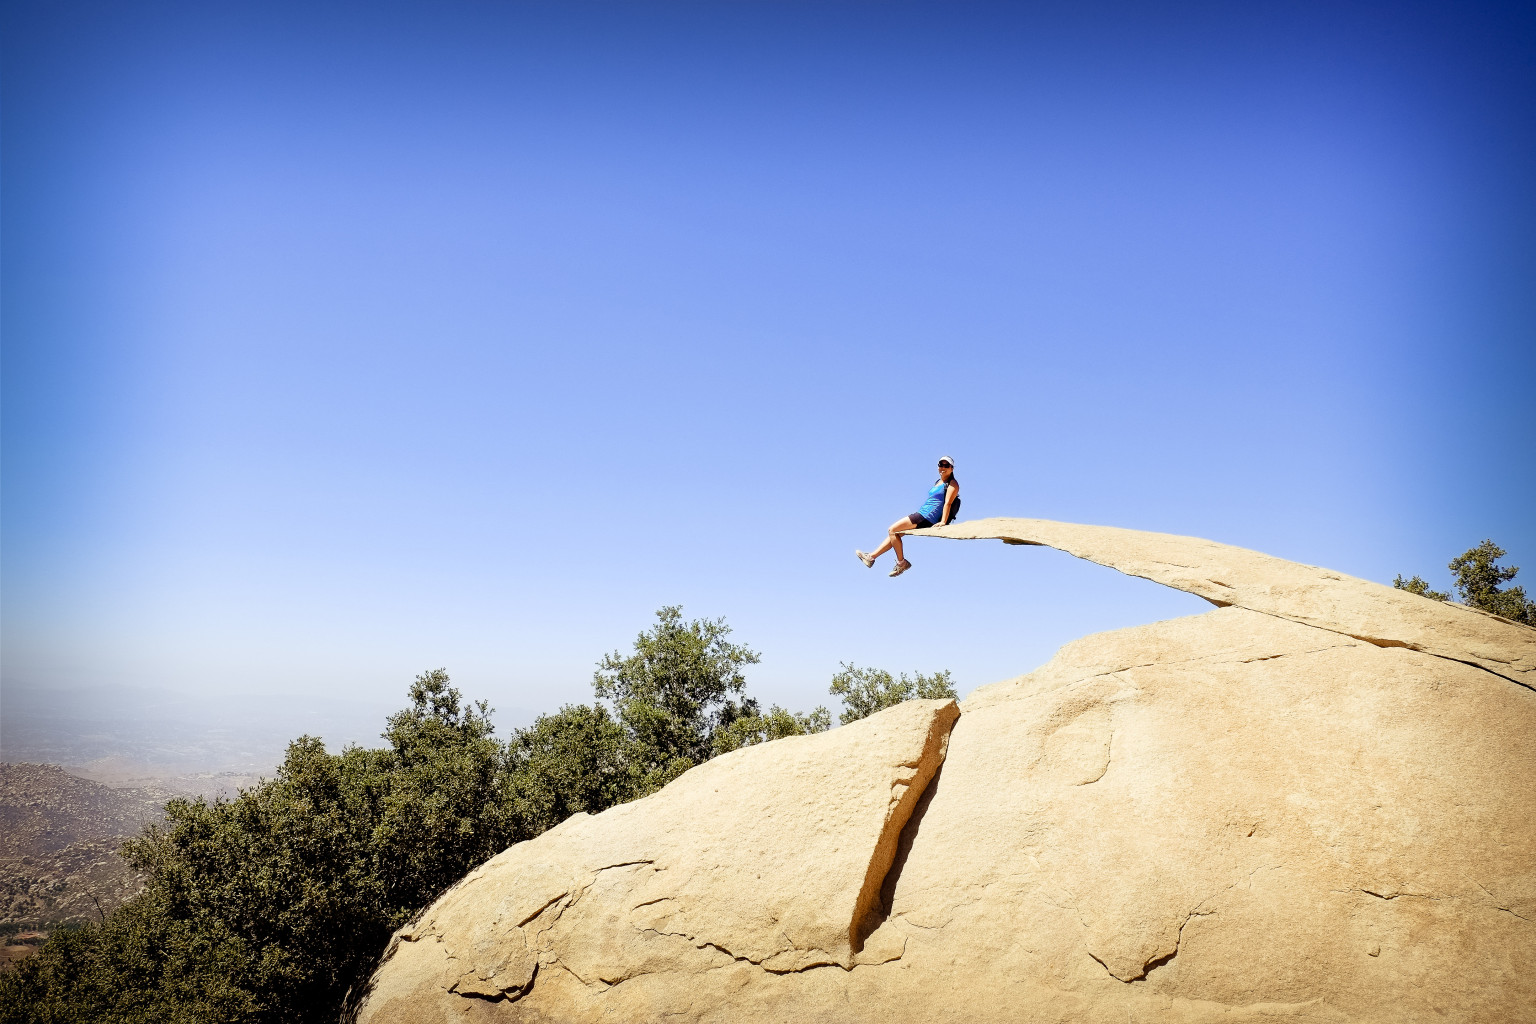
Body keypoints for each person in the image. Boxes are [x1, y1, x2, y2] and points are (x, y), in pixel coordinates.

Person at [856, 457, 960, 577]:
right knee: (896, 535)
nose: (943, 468)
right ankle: (871, 557)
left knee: (892, 530)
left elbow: (948, 503)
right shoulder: (938, 482)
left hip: (926, 517)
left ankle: (902, 563)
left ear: (952, 468)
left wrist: (943, 522)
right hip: (923, 513)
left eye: (946, 466)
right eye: (941, 465)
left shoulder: (953, 484)